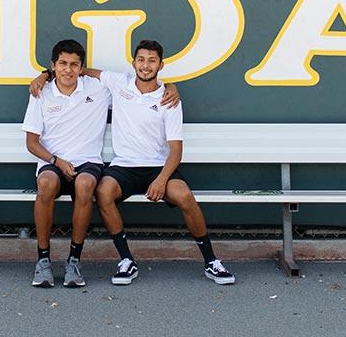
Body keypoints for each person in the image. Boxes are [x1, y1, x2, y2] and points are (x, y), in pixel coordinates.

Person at [30, 40, 233, 286]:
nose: (145, 66)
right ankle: (126, 260)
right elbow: (78, 70)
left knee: (184, 195)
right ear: (133, 62)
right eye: (141, 60)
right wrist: (44, 75)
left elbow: (176, 151)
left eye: (152, 60)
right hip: (123, 166)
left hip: (157, 167)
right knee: (102, 192)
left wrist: (162, 179)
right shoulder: (118, 83)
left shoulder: (169, 99)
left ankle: (211, 261)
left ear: (161, 64)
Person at [22, 39, 110, 287]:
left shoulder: (97, 89)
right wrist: (56, 161)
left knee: (84, 185)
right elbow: (31, 142)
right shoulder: (41, 93)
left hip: (88, 162)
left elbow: (137, 84)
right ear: (53, 66)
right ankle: (43, 261)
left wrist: (171, 86)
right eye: (62, 64)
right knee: (46, 184)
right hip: (53, 162)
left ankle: (74, 261)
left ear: (82, 68)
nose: (68, 70)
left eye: (74, 64)